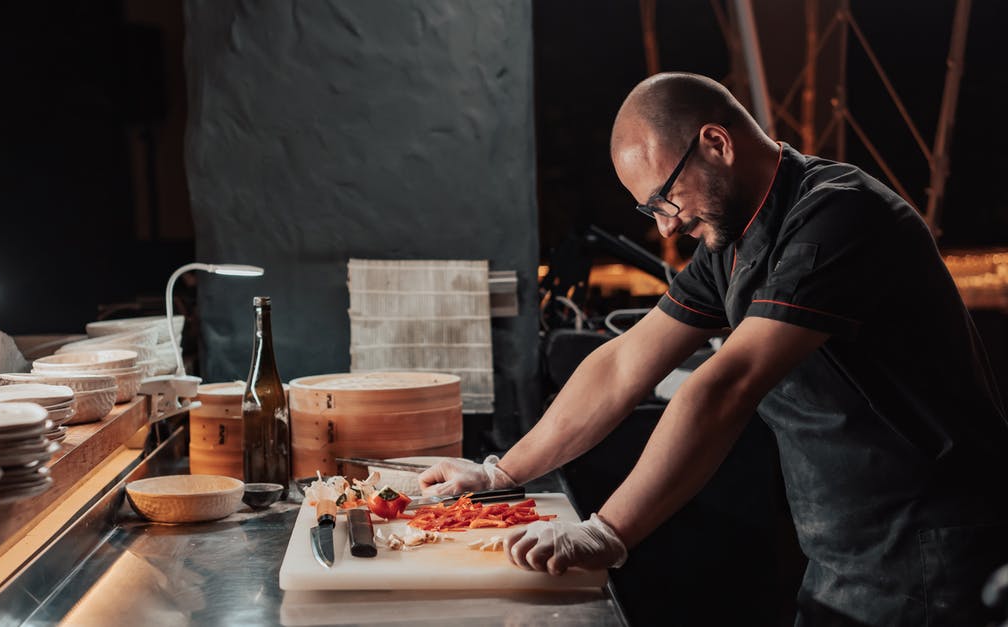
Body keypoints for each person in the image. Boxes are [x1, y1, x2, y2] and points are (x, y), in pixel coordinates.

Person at [420, 72, 1008, 625]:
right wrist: (498, 474)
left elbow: (727, 384)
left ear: (716, 144)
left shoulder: (839, 215)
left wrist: (605, 533)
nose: (666, 229)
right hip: (848, 551)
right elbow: (625, 363)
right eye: (651, 211)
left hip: (932, 552)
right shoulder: (733, 243)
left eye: (666, 201)